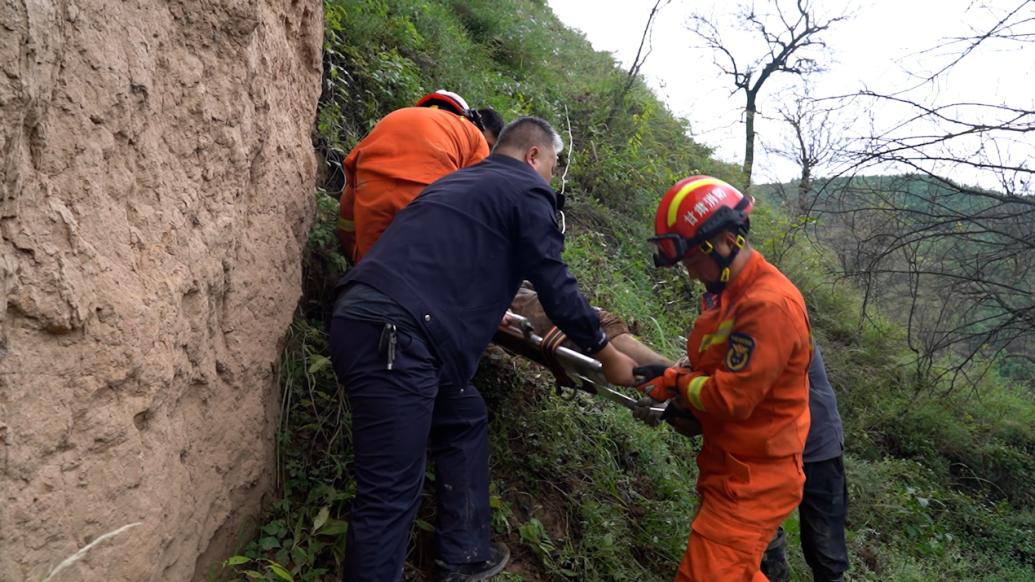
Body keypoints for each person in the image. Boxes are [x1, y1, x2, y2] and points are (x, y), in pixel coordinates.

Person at [328, 116, 638, 582]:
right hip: (397, 338)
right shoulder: (526, 189)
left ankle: (464, 554)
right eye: (552, 165)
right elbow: (553, 280)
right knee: (390, 493)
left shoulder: (459, 182)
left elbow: (441, 258)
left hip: (371, 320)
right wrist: (605, 351)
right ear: (533, 156)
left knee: (463, 413)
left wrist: (489, 310)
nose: (551, 177)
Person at [634, 176, 812, 582]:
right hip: (729, 463)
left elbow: (732, 398)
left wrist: (676, 383)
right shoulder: (727, 293)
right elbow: (717, 369)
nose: (692, 274)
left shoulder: (769, 306)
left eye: (693, 261)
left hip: (755, 477)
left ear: (725, 241)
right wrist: (677, 380)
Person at [337, 89, 505, 263]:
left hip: (371, 190)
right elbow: (477, 200)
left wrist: (351, 250)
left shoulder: (396, 116)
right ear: (464, 115)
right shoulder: (471, 133)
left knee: (370, 270)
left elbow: (349, 198)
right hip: (425, 197)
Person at [760, 341, 848, 582]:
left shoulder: (778, 324)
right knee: (760, 531)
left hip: (819, 448)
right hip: (775, 450)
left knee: (825, 550)